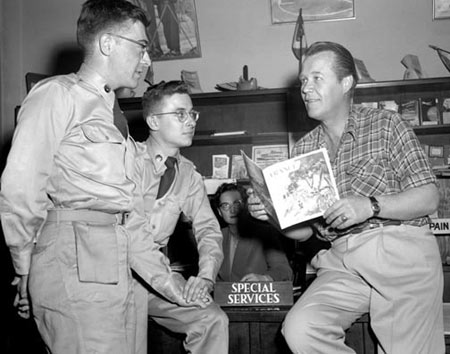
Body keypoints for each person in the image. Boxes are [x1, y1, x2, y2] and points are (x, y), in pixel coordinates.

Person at [247, 41, 444, 353]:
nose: (306, 89)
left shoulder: (387, 124)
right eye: (302, 81)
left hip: (397, 249)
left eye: (316, 78)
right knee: (301, 329)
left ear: (347, 82)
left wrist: (370, 206)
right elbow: (303, 231)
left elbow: (430, 197)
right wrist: (273, 215)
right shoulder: (302, 150)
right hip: (340, 260)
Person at [0, 1, 151, 352]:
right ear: (108, 43)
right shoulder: (57, 95)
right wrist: (25, 267)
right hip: (74, 260)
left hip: (115, 261)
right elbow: (21, 187)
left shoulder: (112, 112)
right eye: (141, 47)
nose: (146, 60)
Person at [128, 80, 228, 354]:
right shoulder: (128, 161)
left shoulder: (188, 174)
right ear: (153, 121)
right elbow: (132, 239)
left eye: (192, 114)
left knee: (211, 320)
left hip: (156, 278)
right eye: (180, 114)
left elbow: (209, 230)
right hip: (115, 276)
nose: (190, 121)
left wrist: (205, 278)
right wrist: (176, 290)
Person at [212, 182, 293, 282]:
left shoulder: (264, 234)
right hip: (225, 296)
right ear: (219, 212)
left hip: (258, 295)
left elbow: (285, 271)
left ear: (246, 206)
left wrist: (265, 278)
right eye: (225, 206)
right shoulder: (216, 236)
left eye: (237, 203)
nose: (232, 210)